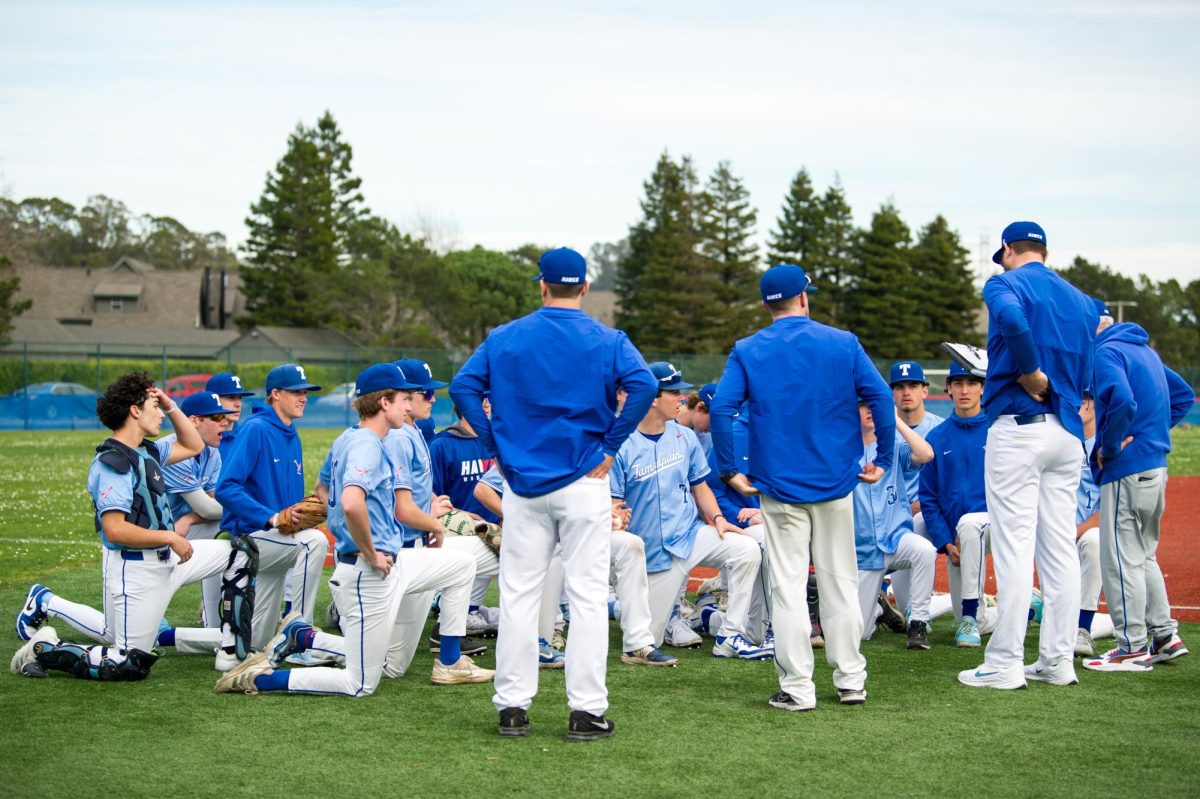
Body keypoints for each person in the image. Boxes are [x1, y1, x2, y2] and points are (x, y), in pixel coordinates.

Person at [450, 246, 657, 742]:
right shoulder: (608, 338)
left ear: (541, 285)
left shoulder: (506, 337)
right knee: (587, 597)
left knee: (520, 595)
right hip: (585, 481)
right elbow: (644, 385)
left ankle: (513, 708)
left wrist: (493, 441)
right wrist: (610, 444)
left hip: (523, 483)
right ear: (584, 288)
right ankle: (586, 711)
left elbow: (462, 387)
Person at [213, 363, 493, 696]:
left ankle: (447, 661)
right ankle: (260, 678)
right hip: (366, 572)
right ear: (384, 403)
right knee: (361, 683)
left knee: (461, 566)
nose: (409, 404)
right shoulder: (366, 445)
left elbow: (324, 489)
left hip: (392, 563)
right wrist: (369, 548)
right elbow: (349, 503)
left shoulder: (356, 437)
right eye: (404, 397)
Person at [710, 263, 895, 712]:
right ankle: (851, 680)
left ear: (765, 305)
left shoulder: (748, 349)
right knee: (840, 584)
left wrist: (730, 470)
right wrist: (884, 459)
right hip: (836, 483)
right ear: (805, 298)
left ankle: (798, 688)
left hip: (779, 489)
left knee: (788, 589)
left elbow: (721, 411)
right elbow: (882, 398)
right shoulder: (842, 342)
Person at [13, 373, 231, 681]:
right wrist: (169, 536)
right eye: (154, 406)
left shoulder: (148, 450)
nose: (160, 414)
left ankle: (235, 643)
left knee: (239, 553)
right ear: (135, 410)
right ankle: (44, 647)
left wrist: (169, 405)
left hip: (164, 561)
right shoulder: (113, 461)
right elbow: (114, 529)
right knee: (127, 663)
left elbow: (194, 444)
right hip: (134, 568)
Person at [958, 221, 1097, 690]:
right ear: (1045, 251)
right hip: (1068, 433)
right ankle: (1057, 661)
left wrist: (1033, 370)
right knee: (1058, 548)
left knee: (1016, 546)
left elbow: (1014, 322)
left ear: (1008, 250)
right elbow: (1099, 338)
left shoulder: (1003, 281)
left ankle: (1004, 664)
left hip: (1019, 427)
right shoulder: (1081, 299)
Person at [611, 362, 767, 659]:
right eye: (674, 393)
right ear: (651, 397)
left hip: (690, 534)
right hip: (652, 553)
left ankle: (730, 636)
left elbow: (700, 486)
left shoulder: (685, 436)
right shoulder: (619, 441)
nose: (682, 399)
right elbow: (612, 501)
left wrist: (718, 519)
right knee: (646, 639)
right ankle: (621, 607)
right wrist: (616, 517)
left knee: (746, 549)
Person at [1083, 316, 1195, 671]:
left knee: (1119, 558)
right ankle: (1164, 635)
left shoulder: (1106, 352)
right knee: (1142, 555)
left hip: (1127, 470)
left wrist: (1112, 446)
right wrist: (1149, 435)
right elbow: (1183, 396)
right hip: (1156, 466)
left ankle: (1130, 646)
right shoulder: (1142, 350)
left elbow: (1123, 400)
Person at [379, 358, 498, 675]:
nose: (433, 398)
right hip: (397, 553)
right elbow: (393, 504)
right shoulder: (400, 437)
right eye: (425, 394)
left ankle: (453, 650)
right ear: (402, 396)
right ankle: (306, 638)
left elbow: (415, 490)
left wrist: (430, 503)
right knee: (373, 667)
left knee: (393, 667)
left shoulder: (413, 431)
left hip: (414, 547)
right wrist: (433, 520)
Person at [213, 363, 330, 671]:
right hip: (251, 540)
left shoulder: (292, 434)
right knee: (314, 543)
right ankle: (299, 636)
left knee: (255, 643)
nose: (303, 398)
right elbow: (226, 488)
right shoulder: (256, 429)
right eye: (296, 392)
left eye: (305, 392)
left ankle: (179, 638)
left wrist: (298, 515)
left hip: (279, 541)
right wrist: (271, 517)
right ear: (276, 395)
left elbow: (288, 501)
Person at [918, 362, 996, 647]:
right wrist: (945, 541)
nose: (965, 390)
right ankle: (1021, 611)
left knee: (970, 525)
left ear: (982, 388)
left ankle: (970, 617)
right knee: (972, 615)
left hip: (996, 527)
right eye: (959, 383)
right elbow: (928, 497)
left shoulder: (998, 431)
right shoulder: (937, 437)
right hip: (957, 539)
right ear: (948, 388)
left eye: (972, 383)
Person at [852, 404, 936, 649]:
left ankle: (918, 624)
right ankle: (879, 609)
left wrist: (895, 420)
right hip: (862, 551)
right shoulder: (840, 452)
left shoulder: (892, 446)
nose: (869, 409)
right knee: (859, 634)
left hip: (895, 538)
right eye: (862, 405)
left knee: (924, 551)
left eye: (873, 404)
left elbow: (926, 454)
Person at [160, 392, 230, 628]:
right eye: (217, 416)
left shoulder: (212, 452)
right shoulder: (173, 451)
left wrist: (190, 518)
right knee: (113, 634)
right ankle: (46, 601)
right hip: (142, 541)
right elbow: (210, 509)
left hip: (176, 531)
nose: (225, 422)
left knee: (228, 532)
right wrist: (252, 509)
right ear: (193, 421)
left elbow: (215, 505)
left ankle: (214, 620)